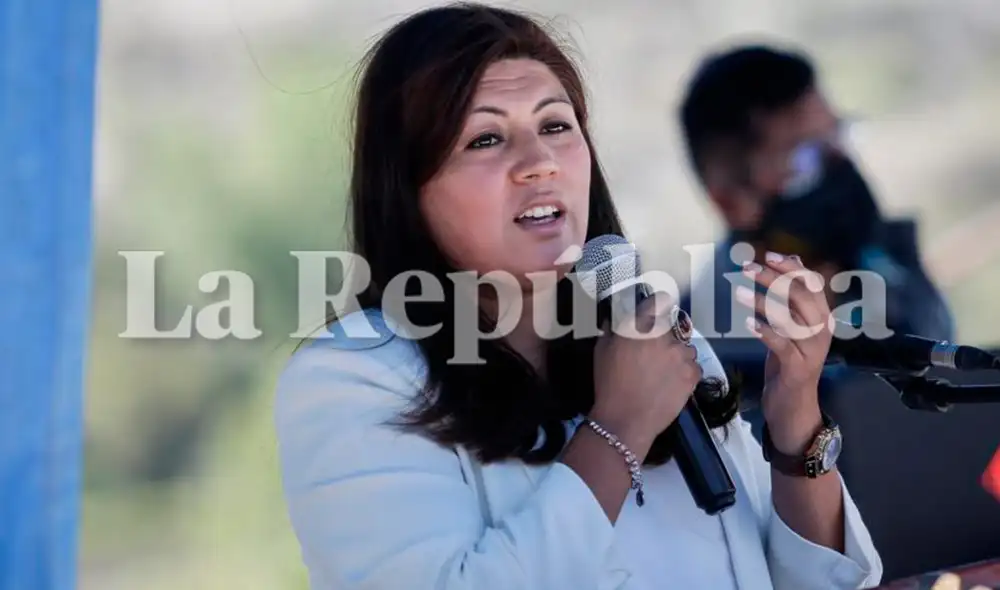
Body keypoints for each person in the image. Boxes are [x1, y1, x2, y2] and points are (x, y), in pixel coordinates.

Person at [274, 5, 883, 589]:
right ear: (408, 187)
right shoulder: (354, 379)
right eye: (486, 138)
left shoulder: (654, 339)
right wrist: (619, 428)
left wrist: (795, 415)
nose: (539, 162)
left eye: (555, 126)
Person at [675, 44, 955, 427]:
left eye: (838, 137)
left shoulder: (889, 273)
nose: (841, 168)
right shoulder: (698, 359)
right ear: (731, 202)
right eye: (805, 158)